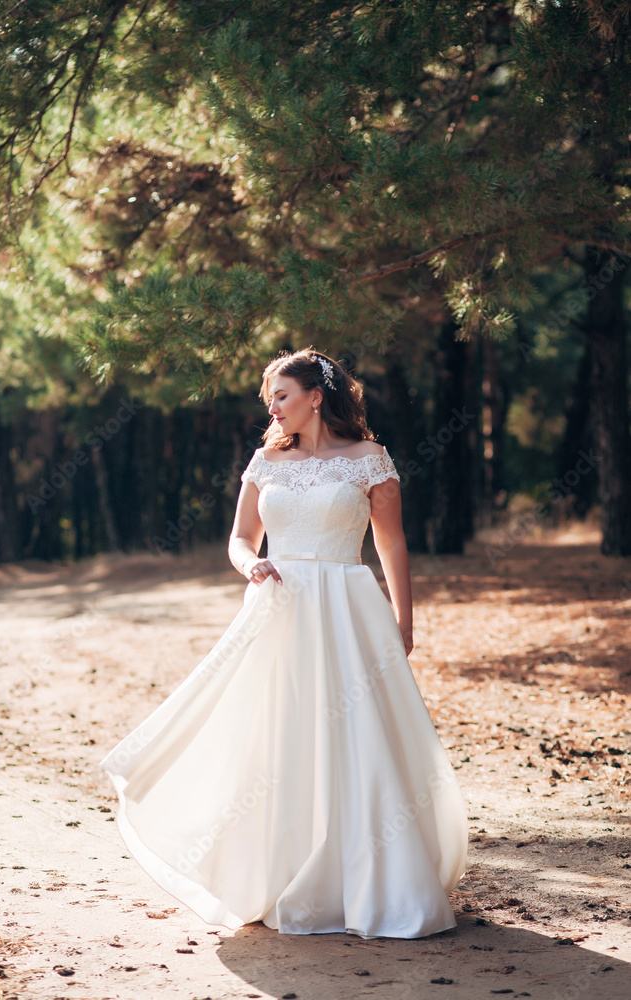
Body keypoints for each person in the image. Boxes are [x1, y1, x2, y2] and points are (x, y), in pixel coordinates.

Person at [100, 348, 468, 940]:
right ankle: (278, 872)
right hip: (278, 606)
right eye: (269, 398)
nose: (271, 407)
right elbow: (241, 537)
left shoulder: (369, 460)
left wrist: (404, 619)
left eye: (281, 395)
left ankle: (374, 881)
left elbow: (392, 544)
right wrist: (251, 565)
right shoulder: (265, 462)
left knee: (357, 736)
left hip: (348, 607)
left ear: (315, 397)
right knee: (277, 734)